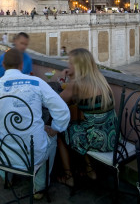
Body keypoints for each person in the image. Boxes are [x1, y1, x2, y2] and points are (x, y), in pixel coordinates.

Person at [0, 49, 70, 197]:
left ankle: (7, 177)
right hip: (33, 154)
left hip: (3, 152)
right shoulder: (36, 83)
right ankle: (39, 187)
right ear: (21, 64)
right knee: (51, 137)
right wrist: (55, 129)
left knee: (1, 132)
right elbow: (62, 111)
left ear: (3, 64)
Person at [56, 49, 116, 187]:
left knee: (60, 132)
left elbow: (57, 102)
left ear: (78, 66)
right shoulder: (99, 79)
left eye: (70, 63)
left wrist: (63, 77)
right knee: (80, 126)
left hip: (98, 141)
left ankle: (69, 177)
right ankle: (90, 170)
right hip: (113, 137)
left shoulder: (76, 84)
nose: (68, 66)